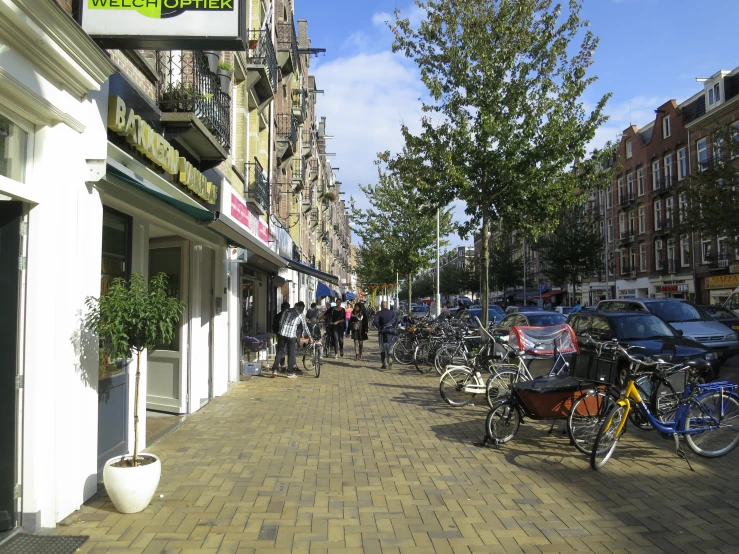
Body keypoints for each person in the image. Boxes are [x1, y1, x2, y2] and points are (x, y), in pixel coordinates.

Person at [272, 301, 312, 378]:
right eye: (303, 308)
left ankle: (275, 370)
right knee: (291, 354)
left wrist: (281, 330)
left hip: (282, 334)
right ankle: (290, 372)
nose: (303, 310)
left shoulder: (287, 310)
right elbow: (305, 327)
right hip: (291, 336)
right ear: (300, 307)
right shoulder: (301, 315)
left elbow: (281, 321)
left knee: (279, 352)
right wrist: (310, 337)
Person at [373, 301, 398, 370]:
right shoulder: (392, 312)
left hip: (382, 332)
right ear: (387, 305)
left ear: (381, 306)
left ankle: (384, 364)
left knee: (382, 348)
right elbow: (396, 320)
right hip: (390, 332)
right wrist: (393, 327)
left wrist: (379, 327)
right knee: (390, 346)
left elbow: (375, 321)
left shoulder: (379, 313)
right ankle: (390, 357)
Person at [272, 301, 290, 373]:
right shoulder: (288, 316)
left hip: (279, 335)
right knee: (284, 351)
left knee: (279, 351)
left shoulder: (277, 315)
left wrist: (276, 333)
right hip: (286, 335)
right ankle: (282, 365)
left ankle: (276, 368)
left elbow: (274, 326)